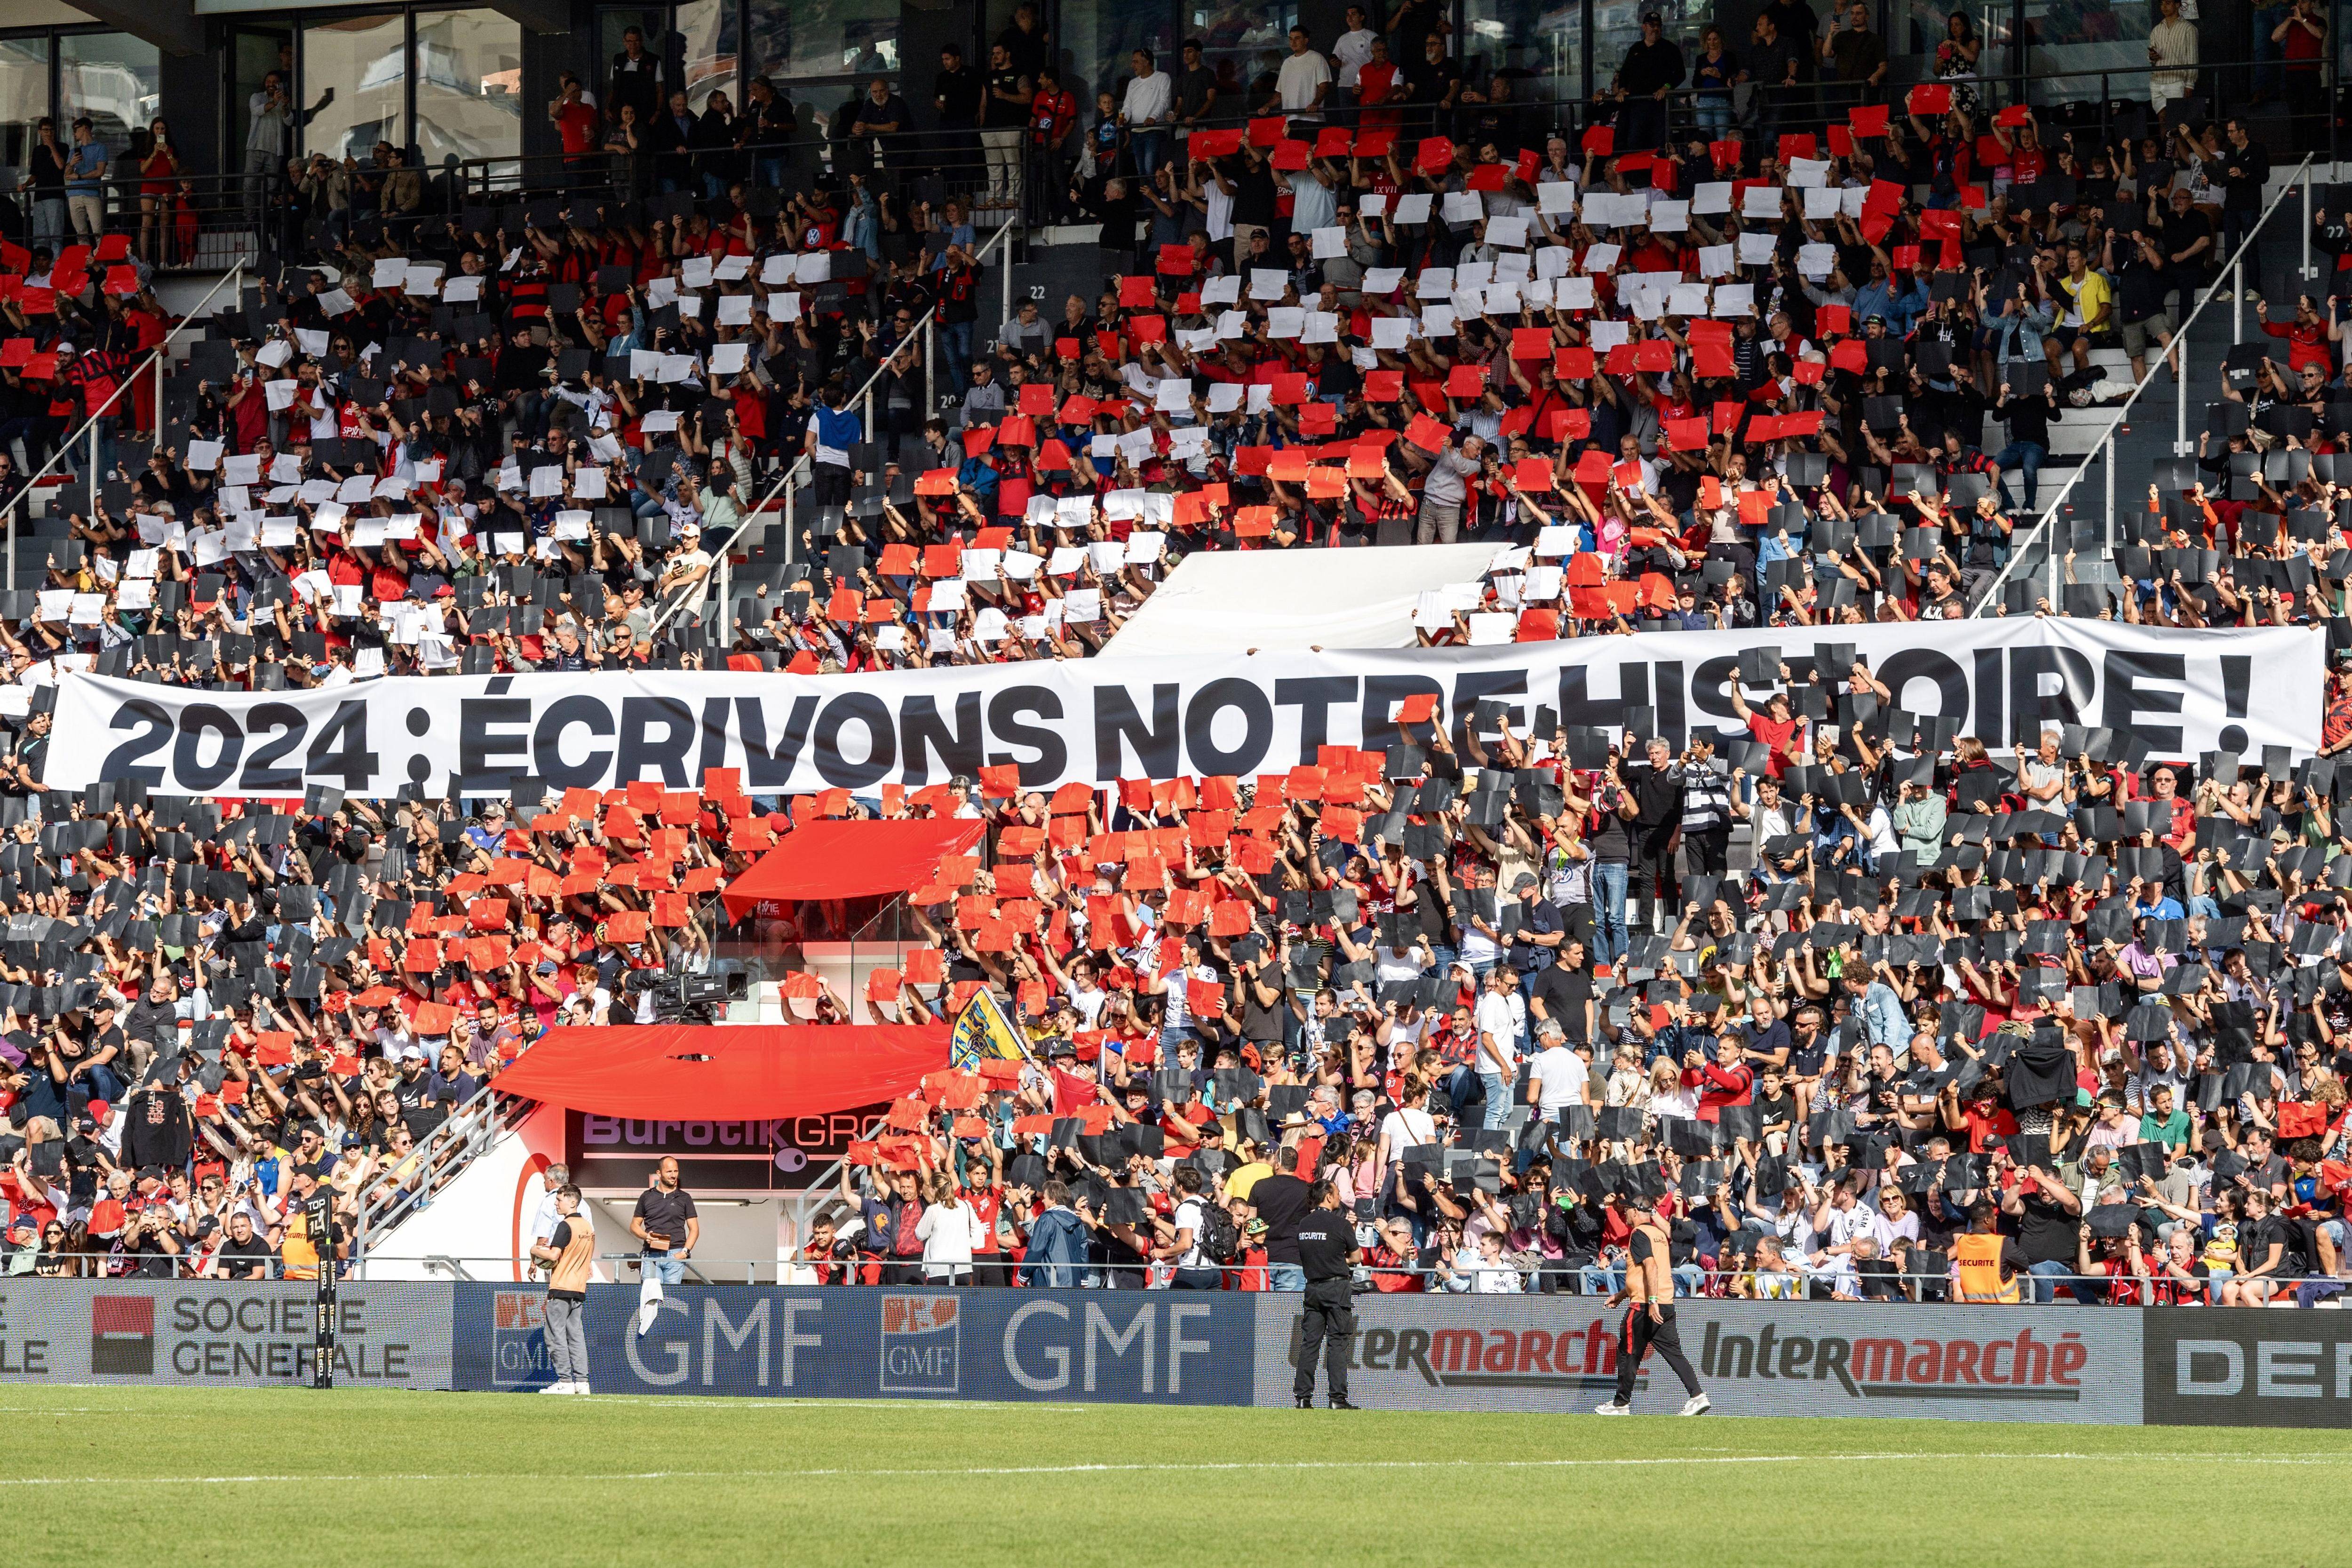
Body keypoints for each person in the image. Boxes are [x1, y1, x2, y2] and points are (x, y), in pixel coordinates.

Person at [1595, 1193, 1709, 1415]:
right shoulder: (1658, 1234)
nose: (1625, 1213)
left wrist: (1652, 1302)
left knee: (1628, 1353)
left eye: (1627, 1210)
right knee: (1673, 1352)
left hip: (1645, 1306)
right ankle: (1697, 1396)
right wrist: (1620, 1296)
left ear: (1636, 1212)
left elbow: (1651, 1268)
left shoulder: (1639, 1233)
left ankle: (1621, 1404)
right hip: (1665, 1304)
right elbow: (1641, 1275)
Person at [1293, 1179, 1361, 1409]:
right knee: (1338, 1343)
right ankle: (1337, 1399)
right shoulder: (1340, 1224)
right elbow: (1356, 1257)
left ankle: (1303, 1398)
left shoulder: (1303, 1224)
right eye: (1338, 1192)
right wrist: (1336, 1260)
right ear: (1329, 1197)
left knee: (1310, 1343)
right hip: (1336, 1288)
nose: (1340, 1196)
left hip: (1312, 1288)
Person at [529, 1182, 596, 1394]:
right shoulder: (588, 1227)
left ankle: (565, 1382)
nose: (556, 1203)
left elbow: (554, 1256)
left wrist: (535, 1250)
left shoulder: (565, 1226)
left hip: (561, 1287)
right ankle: (582, 1383)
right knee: (576, 1336)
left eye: (560, 1199)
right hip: (579, 1288)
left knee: (554, 1335)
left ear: (572, 1201)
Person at [628, 1156, 698, 1333]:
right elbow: (634, 1226)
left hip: (675, 1255)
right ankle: (649, 1338)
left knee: (671, 1299)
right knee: (651, 1299)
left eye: (676, 1171)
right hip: (651, 1255)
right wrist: (646, 1236)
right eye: (669, 1171)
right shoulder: (647, 1196)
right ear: (659, 1173)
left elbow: (695, 1229)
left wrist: (685, 1252)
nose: (674, 1175)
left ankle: (668, 1336)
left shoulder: (685, 1198)